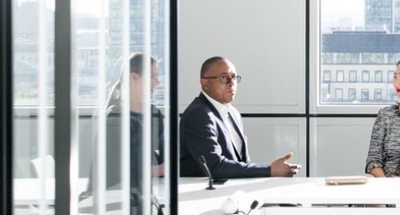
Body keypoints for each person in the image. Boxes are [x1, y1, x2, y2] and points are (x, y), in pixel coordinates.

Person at [180, 56, 300, 178]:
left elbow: (243, 163)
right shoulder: (198, 115)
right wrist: (269, 170)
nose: (231, 83)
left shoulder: (233, 113)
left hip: (234, 191)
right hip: (204, 194)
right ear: (205, 83)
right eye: (224, 78)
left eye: (234, 77)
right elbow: (214, 167)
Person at [102, 52, 165, 189]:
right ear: (134, 78)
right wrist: (159, 170)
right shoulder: (114, 118)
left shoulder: (154, 114)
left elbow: (165, 153)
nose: (157, 82)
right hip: (119, 192)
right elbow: (119, 169)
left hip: (149, 188)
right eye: (152, 76)